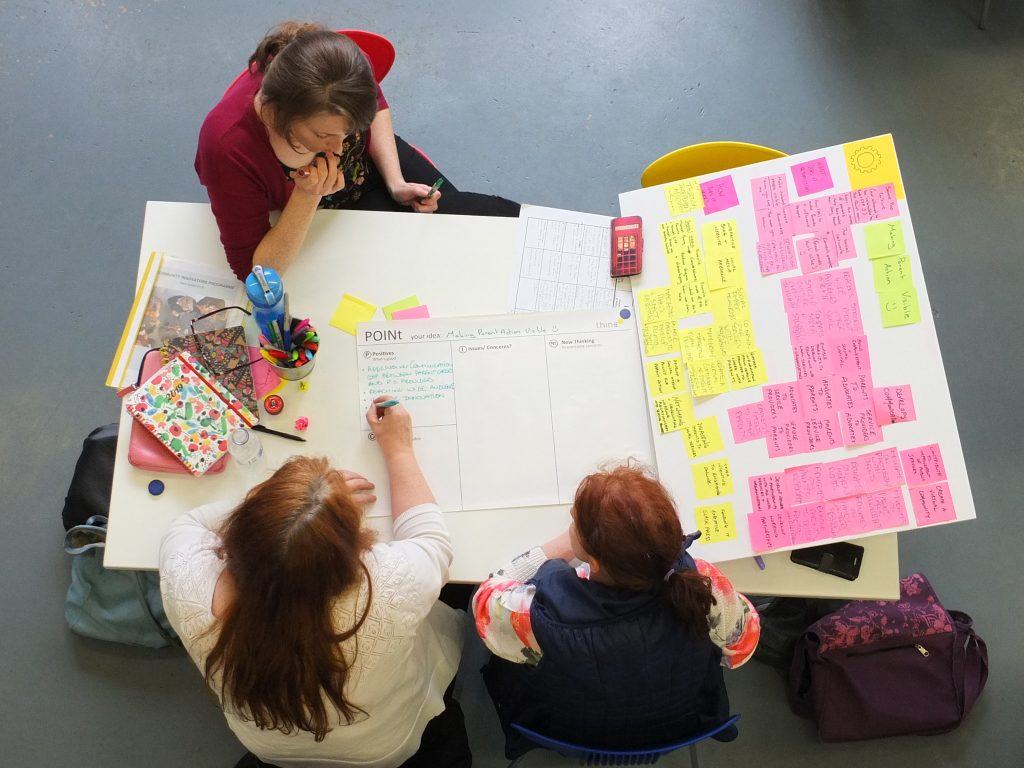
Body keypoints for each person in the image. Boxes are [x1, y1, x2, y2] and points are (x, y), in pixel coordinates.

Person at [159, 397, 470, 767]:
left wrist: (276, 508)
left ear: (236, 537)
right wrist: (399, 450)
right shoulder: (388, 588)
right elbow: (431, 542)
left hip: (273, 751)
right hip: (380, 747)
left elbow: (188, 524)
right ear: (350, 559)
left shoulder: (187, 583)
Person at [473, 465, 760, 760]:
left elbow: (485, 600)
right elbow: (740, 651)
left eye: (574, 522)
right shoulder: (705, 592)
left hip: (572, 729)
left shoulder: (543, 619)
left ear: (595, 562)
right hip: (676, 725)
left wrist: (559, 549)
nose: (571, 520)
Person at [196, 21, 520, 280]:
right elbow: (255, 273)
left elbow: (376, 106)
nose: (338, 148)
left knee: (475, 229)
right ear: (277, 114)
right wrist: (308, 195)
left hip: (375, 163)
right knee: (411, 267)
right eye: (323, 134)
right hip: (318, 212)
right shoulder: (227, 146)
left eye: (348, 131)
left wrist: (395, 182)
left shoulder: (343, 69)